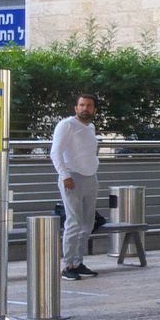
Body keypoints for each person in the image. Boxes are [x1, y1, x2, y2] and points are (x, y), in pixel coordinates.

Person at [50, 92, 101, 280]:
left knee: (87, 222)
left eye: (88, 105)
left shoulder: (90, 128)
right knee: (74, 221)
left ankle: (78, 262)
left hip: (90, 177)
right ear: (75, 107)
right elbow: (55, 152)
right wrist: (65, 176)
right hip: (72, 177)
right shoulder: (66, 125)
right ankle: (67, 265)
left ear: (94, 109)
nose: (84, 108)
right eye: (81, 105)